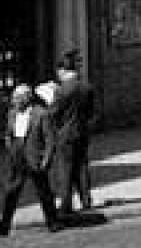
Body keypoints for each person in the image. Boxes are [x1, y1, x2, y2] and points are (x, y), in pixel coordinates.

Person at [0, 82, 60, 235]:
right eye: (13, 98)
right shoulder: (12, 113)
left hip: (34, 156)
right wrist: (10, 146)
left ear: (27, 98)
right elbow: (8, 132)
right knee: (11, 192)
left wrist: (46, 159)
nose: (14, 101)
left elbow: (50, 139)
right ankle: (4, 224)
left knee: (43, 192)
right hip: (17, 156)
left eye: (17, 98)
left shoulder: (41, 113)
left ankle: (52, 222)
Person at [48, 51, 96, 219]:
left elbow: (53, 113)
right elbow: (91, 113)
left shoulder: (62, 91)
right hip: (82, 132)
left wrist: (49, 99)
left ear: (62, 70)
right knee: (82, 166)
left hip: (66, 134)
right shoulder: (86, 87)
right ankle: (86, 200)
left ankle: (66, 203)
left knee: (65, 169)